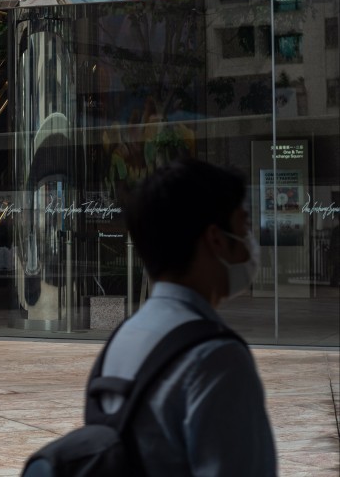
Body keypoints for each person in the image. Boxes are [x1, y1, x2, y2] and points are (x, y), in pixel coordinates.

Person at [104, 158, 276, 475]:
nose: (250, 243)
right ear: (216, 239)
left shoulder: (121, 340)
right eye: (244, 225)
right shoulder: (218, 360)